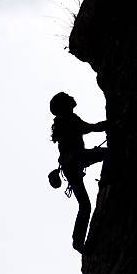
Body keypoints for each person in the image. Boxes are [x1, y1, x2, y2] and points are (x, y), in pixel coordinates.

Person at [50, 92, 108, 253]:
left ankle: (78, 242)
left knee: (84, 206)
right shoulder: (69, 118)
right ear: (65, 104)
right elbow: (90, 128)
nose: (72, 98)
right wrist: (109, 124)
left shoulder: (62, 121)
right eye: (68, 98)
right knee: (107, 154)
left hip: (70, 168)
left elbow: (88, 128)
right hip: (77, 159)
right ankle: (107, 179)